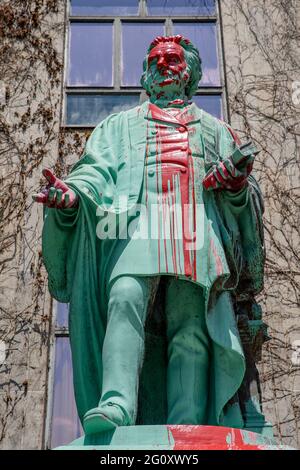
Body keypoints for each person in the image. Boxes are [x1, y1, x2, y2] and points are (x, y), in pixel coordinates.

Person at [34, 35, 265, 435]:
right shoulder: (118, 126)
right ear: (146, 72)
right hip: (135, 230)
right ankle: (117, 402)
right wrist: (72, 195)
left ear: (190, 71)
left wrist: (235, 186)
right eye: (155, 59)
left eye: (172, 59)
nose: (162, 65)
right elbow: (94, 172)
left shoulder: (215, 130)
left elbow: (245, 194)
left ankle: (186, 425)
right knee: (124, 297)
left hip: (195, 232)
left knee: (190, 324)